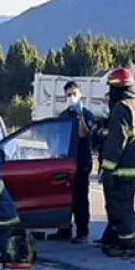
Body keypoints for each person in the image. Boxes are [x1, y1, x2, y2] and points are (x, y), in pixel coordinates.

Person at [97, 67, 135, 258]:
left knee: (121, 207)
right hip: (134, 167)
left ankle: (127, 245)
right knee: (124, 205)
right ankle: (113, 237)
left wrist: (107, 168)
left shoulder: (121, 108)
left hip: (120, 168)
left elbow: (116, 142)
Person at [53, 81, 95, 244]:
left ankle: (82, 232)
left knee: (80, 198)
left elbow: (84, 133)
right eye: (69, 94)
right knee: (64, 197)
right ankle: (64, 229)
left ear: (80, 94)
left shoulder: (86, 114)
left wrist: (80, 116)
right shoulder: (64, 116)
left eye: (74, 93)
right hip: (65, 162)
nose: (72, 97)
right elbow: (56, 138)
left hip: (81, 162)